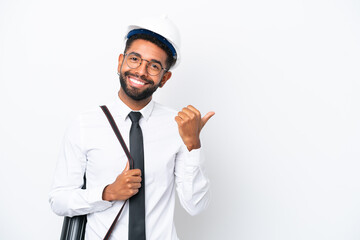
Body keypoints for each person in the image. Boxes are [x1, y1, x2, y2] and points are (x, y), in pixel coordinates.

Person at [49, 15, 214, 240]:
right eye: (135, 59)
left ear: (164, 78)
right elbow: (59, 200)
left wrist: (193, 145)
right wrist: (107, 193)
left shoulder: (178, 125)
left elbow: (196, 205)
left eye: (154, 66)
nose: (141, 71)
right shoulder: (85, 124)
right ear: (120, 62)